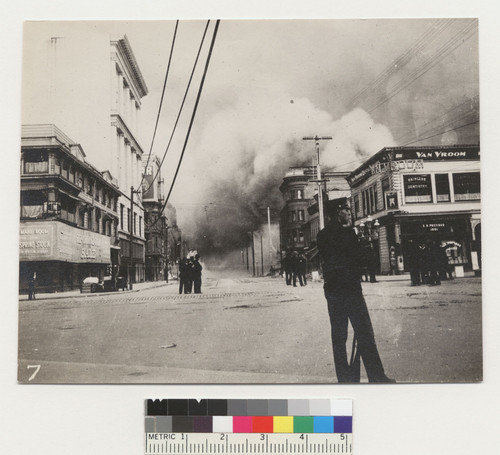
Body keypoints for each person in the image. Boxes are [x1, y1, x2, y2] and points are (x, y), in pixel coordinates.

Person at [316, 197, 395, 383]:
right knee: (365, 333)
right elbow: (359, 260)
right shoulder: (349, 234)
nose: (350, 214)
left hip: (333, 290)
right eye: (347, 210)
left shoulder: (322, 235)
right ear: (338, 213)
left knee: (339, 336)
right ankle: (376, 376)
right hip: (350, 288)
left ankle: (344, 378)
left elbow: (328, 260)